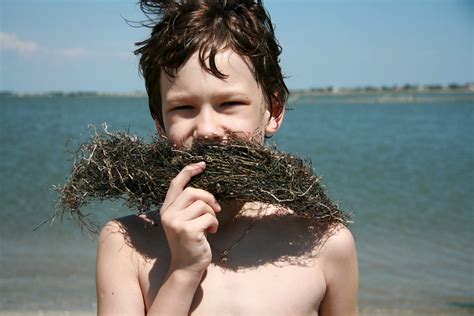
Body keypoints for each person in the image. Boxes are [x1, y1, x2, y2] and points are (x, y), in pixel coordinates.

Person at [96, 0, 359, 315]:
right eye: (183, 108)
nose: (207, 129)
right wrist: (183, 272)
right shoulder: (126, 243)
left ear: (273, 111)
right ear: (160, 124)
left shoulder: (326, 242)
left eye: (230, 103)